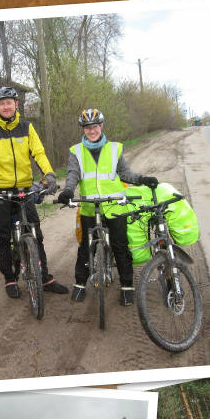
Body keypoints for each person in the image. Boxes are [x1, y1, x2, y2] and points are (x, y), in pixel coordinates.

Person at [0, 87, 70, 300]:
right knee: (3, 236)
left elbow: (39, 153)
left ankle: (44, 277)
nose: (6, 106)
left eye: (10, 102)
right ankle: (10, 277)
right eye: (1, 103)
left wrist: (50, 174)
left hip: (24, 188)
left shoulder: (27, 127)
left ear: (16, 104)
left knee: (36, 233)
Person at [57, 109, 158, 306]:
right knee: (85, 248)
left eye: (95, 126)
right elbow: (73, 174)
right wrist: (69, 190)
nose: (91, 130)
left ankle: (127, 286)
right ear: (83, 130)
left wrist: (143, 179)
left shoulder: (115, 149)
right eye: (87, 127)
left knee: (121, 247)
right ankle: (79, 284)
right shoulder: (76, 151)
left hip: (114, 207)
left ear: (101, 126)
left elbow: (125, 174)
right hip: (88, 207)